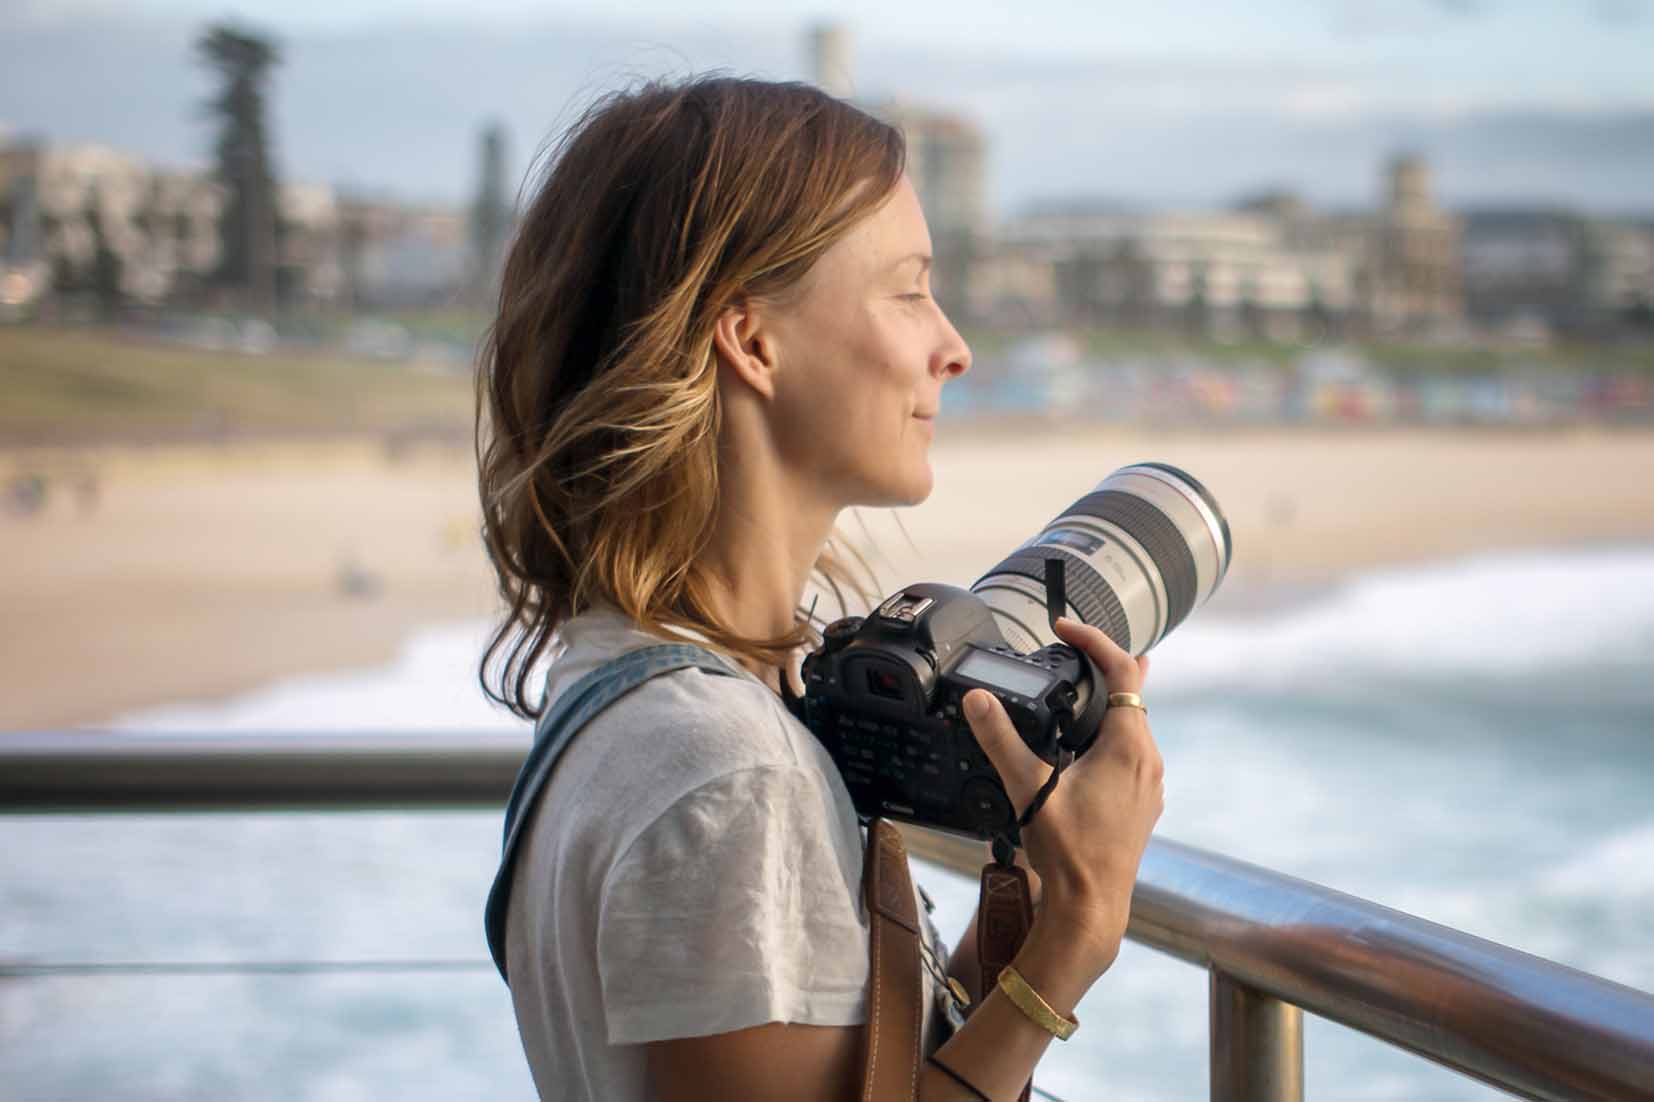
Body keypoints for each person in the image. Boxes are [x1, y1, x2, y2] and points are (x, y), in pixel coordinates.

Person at [476, 76, 1164, 1102]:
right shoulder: (729, 773)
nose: (954, 346)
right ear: (751, 340)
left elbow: (872, 1083)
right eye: (907, 290)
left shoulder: (622, 679)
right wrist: (1073, 943)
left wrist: (1009, 933)